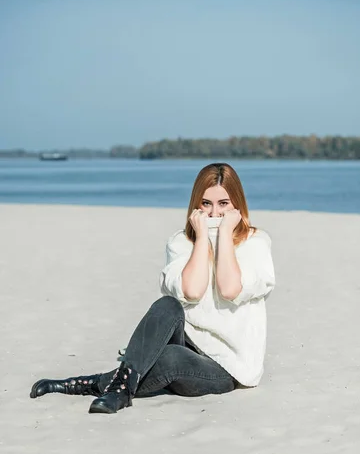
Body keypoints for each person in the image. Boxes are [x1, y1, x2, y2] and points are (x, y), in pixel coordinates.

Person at [30, 163, 276, 414]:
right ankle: (119, 390)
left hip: (225, 367)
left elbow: (230, 289)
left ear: (237, 203)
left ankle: (95, 384)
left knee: (169, 357)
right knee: (167, 305)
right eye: (206, 204)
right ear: (196, 205)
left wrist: (224, 233)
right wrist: (202, 238)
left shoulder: (255, 243)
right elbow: (191, 291)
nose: (214, 213)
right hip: (188, 341)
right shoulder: (181, 242)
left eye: (223, 203)